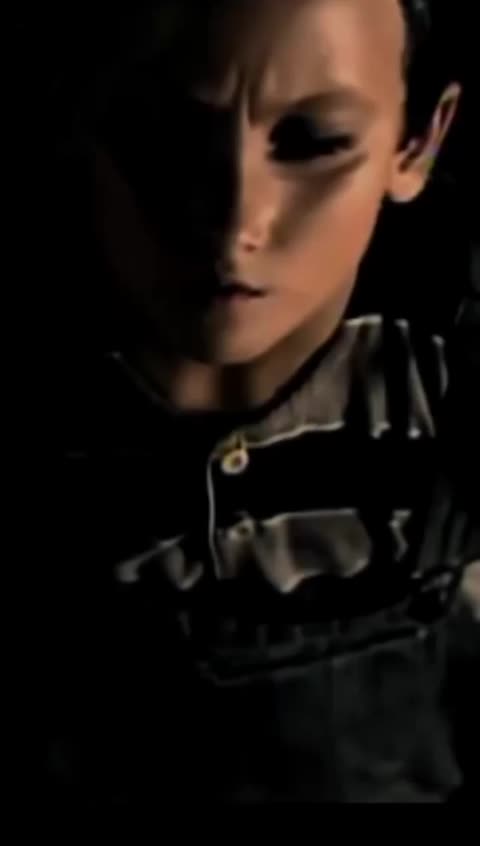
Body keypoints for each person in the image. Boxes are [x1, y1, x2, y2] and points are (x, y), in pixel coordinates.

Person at [37, 0, 479, 804]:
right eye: (167, 135)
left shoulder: (442, 364)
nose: (237, 222)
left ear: (415, 143)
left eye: (315, 141)